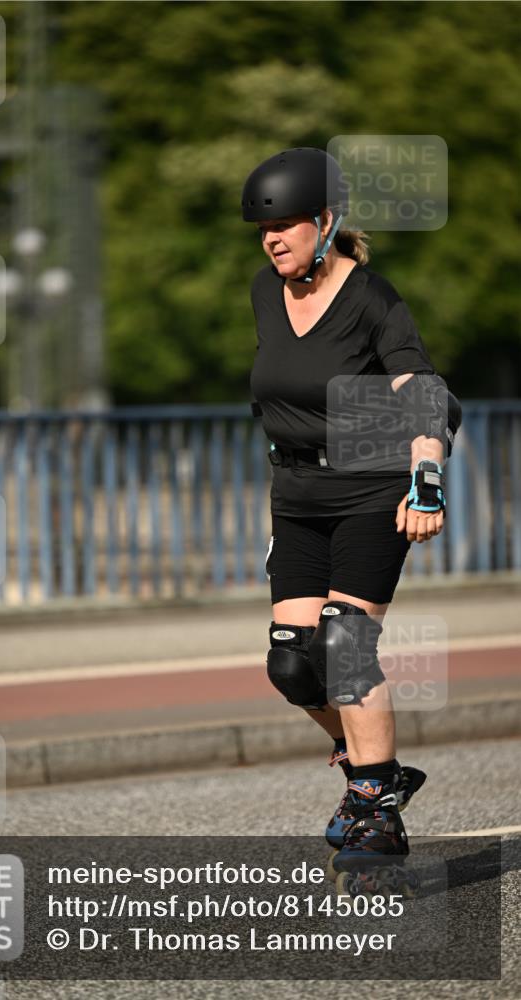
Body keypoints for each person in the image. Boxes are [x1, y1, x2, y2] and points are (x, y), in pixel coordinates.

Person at [241, 146, 461, 895]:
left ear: (324, 223)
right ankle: (379, 768)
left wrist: (424, 479)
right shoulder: (264, 294)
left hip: (371, 488)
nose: (272, 239)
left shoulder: (369, 295)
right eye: (262, 230)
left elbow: (421, 388)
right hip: (296, 495)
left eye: (286, 225)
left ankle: (375, 812)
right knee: (292, 663)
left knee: (343, 646)